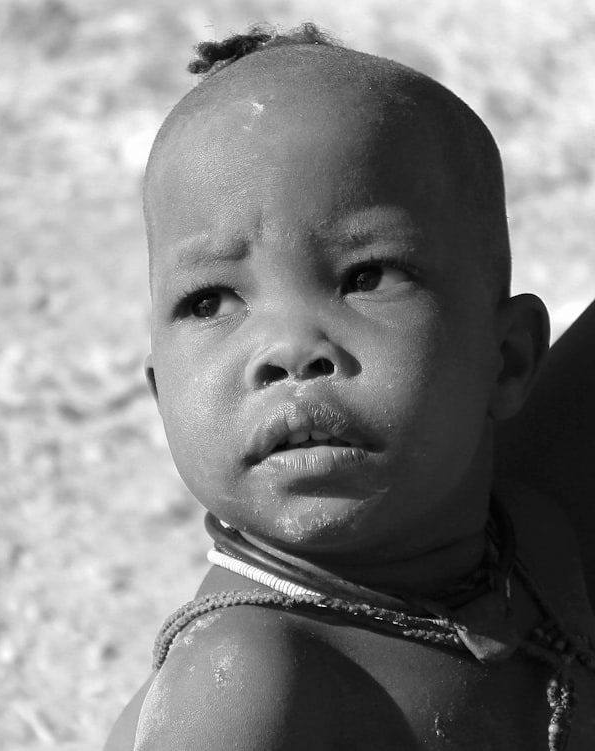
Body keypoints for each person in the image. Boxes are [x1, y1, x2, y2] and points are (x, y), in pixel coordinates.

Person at [105, 24, 595, 751]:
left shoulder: (533, 541)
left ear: (510, 359)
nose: (288, 350)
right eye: (210, 300)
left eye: (364, 277)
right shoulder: (250, 686)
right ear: (158, 392)